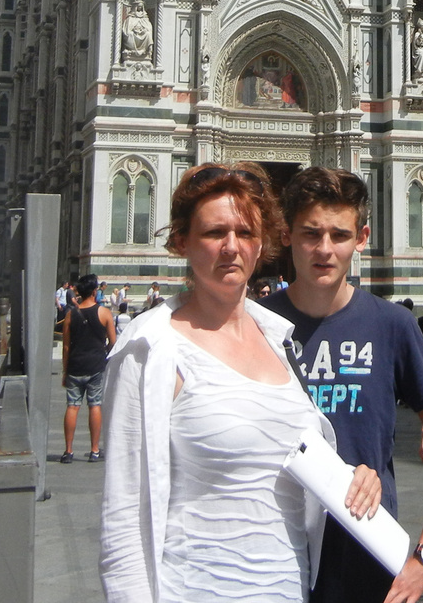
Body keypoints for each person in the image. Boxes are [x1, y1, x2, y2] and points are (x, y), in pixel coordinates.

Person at [99, 164, 383, 602]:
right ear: (181, 241)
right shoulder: (151, 347)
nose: (232, 247)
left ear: (263, 243)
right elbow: (123, 523)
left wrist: (352, 478)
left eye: (246, 233)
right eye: (215, 232)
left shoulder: (279, 339)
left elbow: (279, 458)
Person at [260, 167, 423, 603]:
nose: (325, 250)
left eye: (339, 235)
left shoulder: (391, 325)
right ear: (286, 235)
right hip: (270, 555)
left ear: (362, 237)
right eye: (310, 234)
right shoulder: (255, 325)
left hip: (366, 555)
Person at [61, 275, 116, 464]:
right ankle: (94, 450)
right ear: (95, 291)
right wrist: (105, 354)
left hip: (75, 366)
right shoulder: (104, 313)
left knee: (72, 406)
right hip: (95, 366)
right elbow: (113, 344)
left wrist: (65, 371)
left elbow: (66, 346)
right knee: (95, 405)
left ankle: (68, 451)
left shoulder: (71, 315)